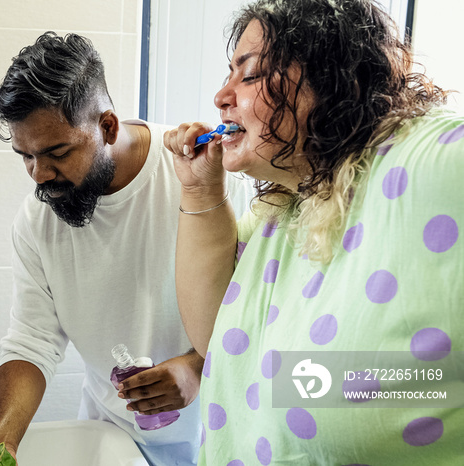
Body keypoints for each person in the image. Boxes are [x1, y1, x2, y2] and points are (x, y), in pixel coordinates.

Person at [165, 0, 463, 464]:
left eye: (250, 74)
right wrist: (200, 190)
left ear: (334, 76)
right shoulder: (284, 208)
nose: (222, 96)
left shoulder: (434, 163)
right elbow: (216, 345)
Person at [0, 31, 254, 465]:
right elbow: (31, 343)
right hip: (112, 441)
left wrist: (197, 367)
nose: (38, 175)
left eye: (56, 153)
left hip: (218, 437)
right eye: (25, 156)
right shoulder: (38, 218)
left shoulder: (201, 177)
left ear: (107, 126)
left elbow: (256, 317)